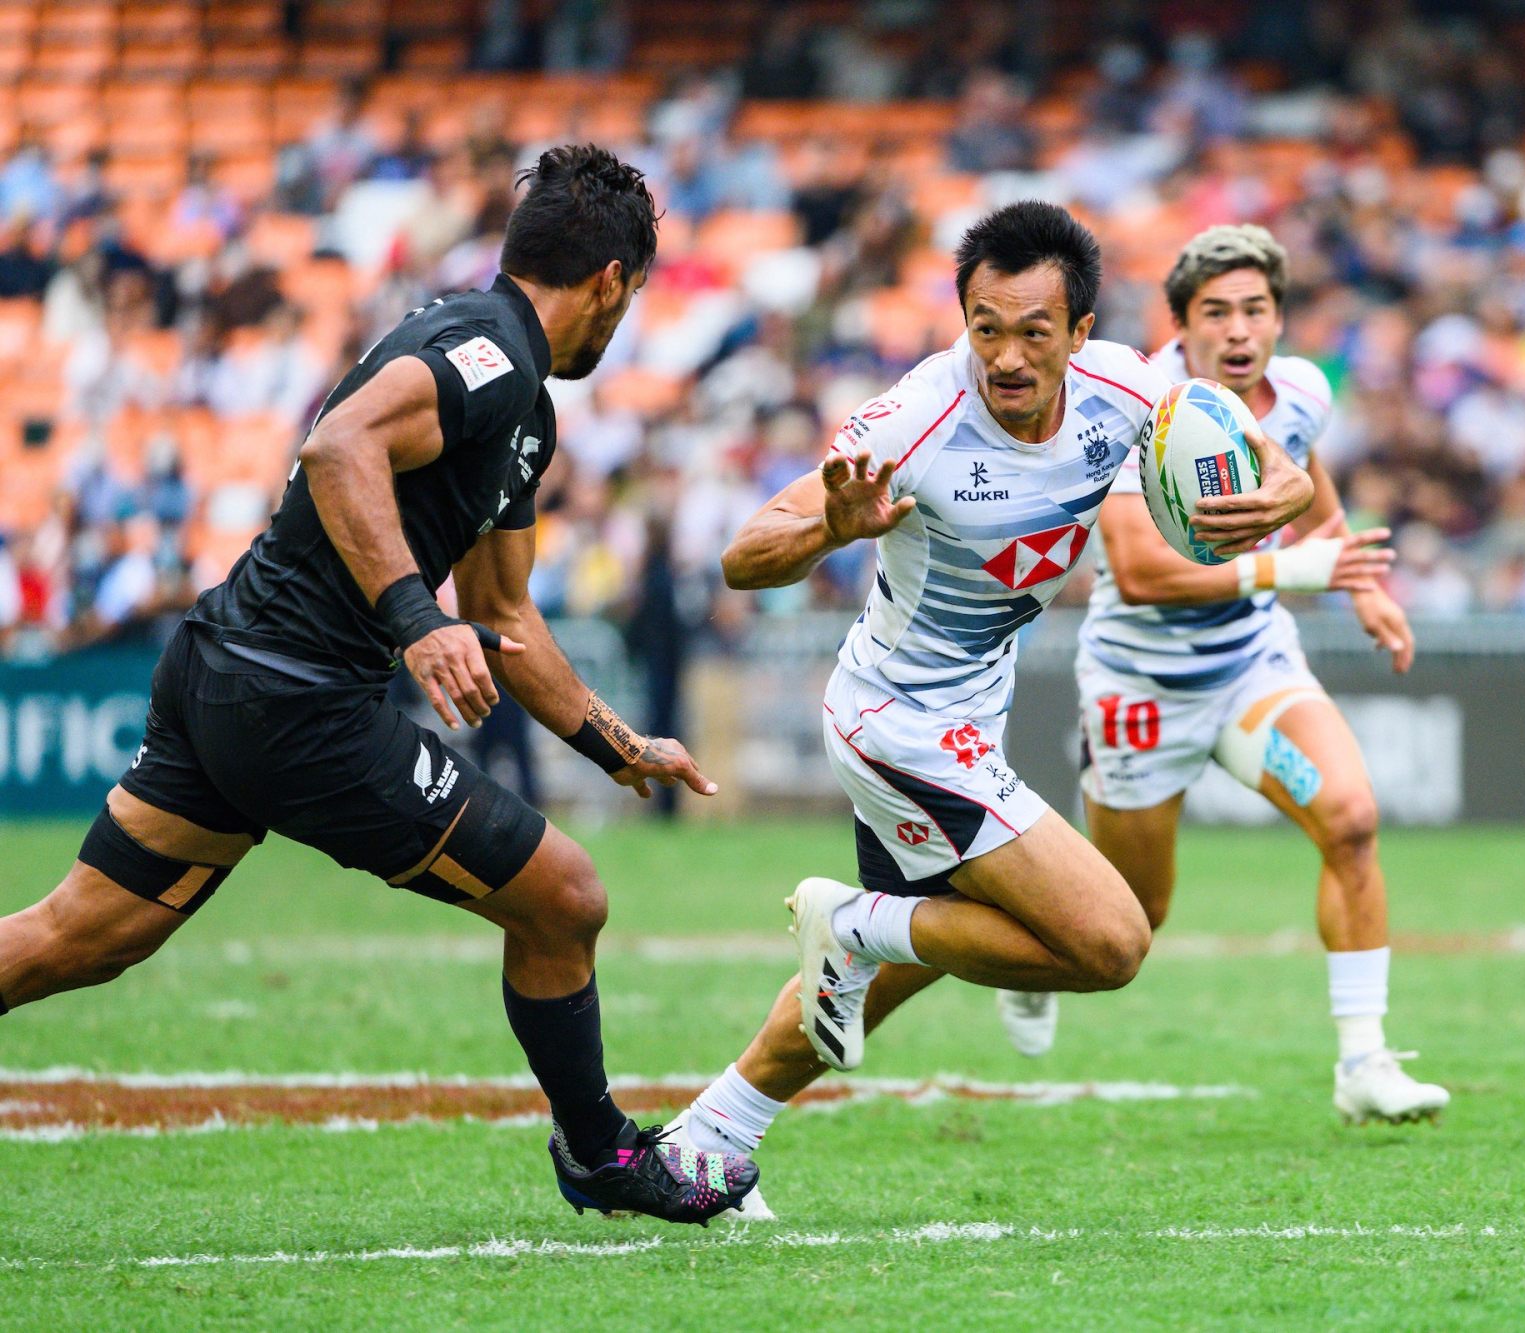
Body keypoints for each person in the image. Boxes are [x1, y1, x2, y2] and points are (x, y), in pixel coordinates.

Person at [0, 146, 757, 1225]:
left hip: (225, 672)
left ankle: (598, 1152)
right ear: (609, 284)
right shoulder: (489, 352)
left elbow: (505, 616)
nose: (623, 318)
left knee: (85, 933)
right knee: (566, 898)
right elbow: (336, 443)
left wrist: (617, 745)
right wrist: (413, 620)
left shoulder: (520, 404)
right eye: (629, 299)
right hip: (295, 704)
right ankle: (600, 1155)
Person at [672, 202, 1361, 1217]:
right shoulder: (914, 419)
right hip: (898, 722)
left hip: (961, 718)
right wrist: (832, 525)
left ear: (1080, 333)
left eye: (1033, 330)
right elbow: (742, 555)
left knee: (900, 966)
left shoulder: (1127, 391)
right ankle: (858, 922)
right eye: (983, 326)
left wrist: (1282, 487)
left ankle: (709, 1140)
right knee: (1111, 941)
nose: (1004, 354)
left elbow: (1264, 450)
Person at [998, 224, 1450, 1126]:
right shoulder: (1139, 405)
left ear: (1280, 319)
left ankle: (1364, 1059)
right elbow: (1140, 571)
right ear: (1181, 327)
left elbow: (1305, 474)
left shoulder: (1305, 392)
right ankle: (1026, 960)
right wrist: (1298, 571)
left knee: (1352, 821)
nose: (1239, 332)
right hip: (1140, 692)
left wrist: (1357, 582)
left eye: (1256, 310)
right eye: (1216, 313)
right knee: (1131, 916)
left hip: (1251, 669)